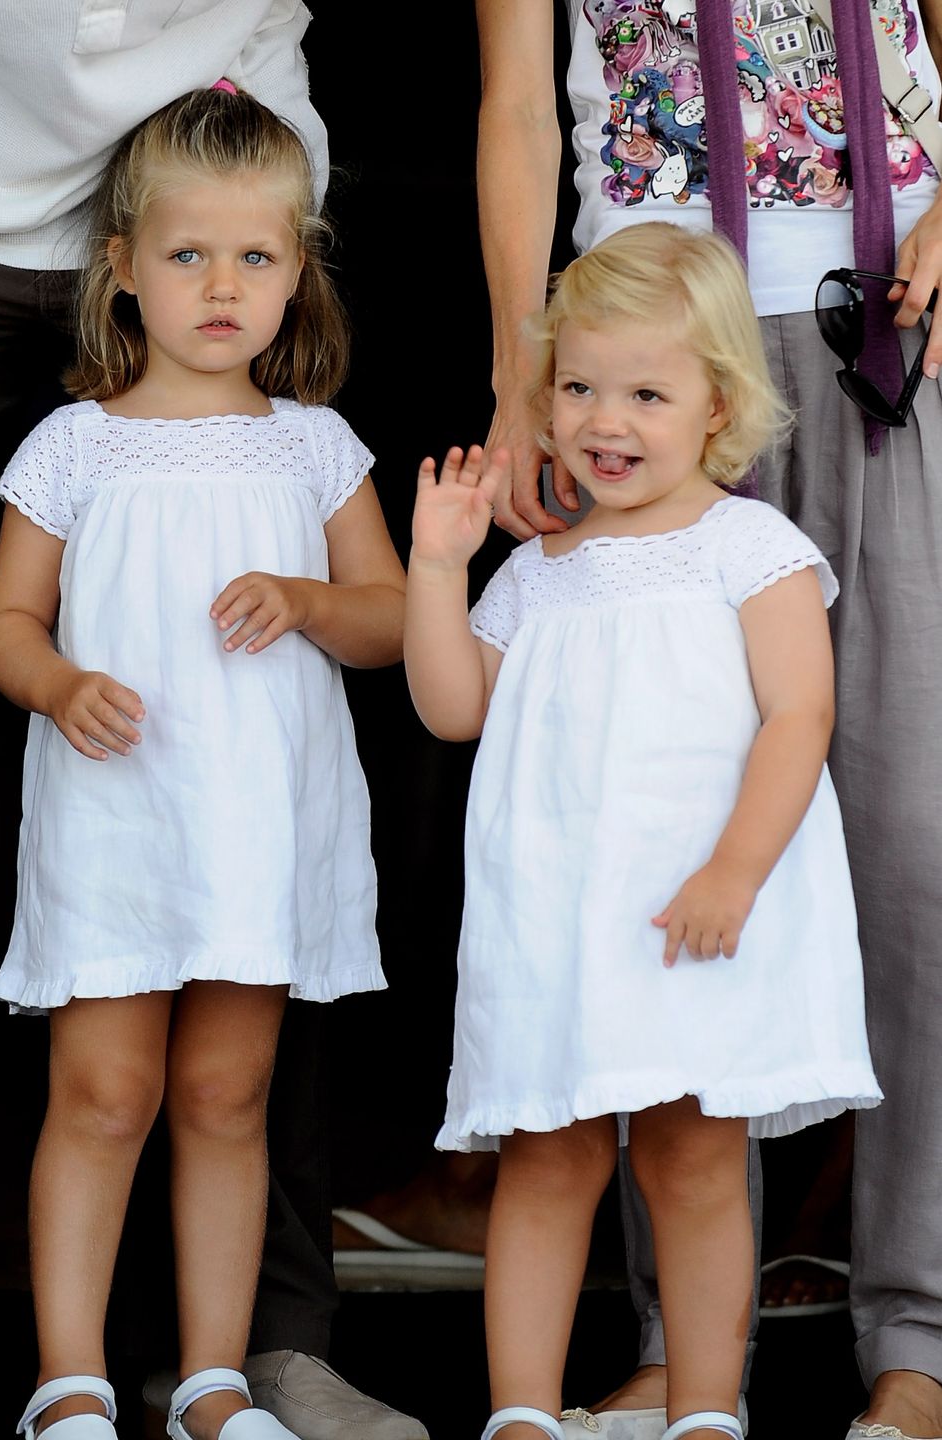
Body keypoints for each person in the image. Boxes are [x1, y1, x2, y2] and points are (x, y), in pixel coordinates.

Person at [0, 8, 425, 1439]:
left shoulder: (314, 443)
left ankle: (222, 1378)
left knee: (229, 1095)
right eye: (188, 255)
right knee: (105, 1092)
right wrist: (55, 685)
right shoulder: (76, 445)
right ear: (121, 273)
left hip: (254, 829)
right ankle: (69, 1377)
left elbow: (389, 618)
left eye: (256, 257)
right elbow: (1, 622)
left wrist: (306, 599)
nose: (223, 287)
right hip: (123, 825)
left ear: (300, 273)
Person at [475, 4, 942, 1437]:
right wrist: (518, 379)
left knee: (909, 840)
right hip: (646, 350)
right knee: (657, 824)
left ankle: (914, 1333)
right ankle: (687, 1356)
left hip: (888, 326)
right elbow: (517, 104)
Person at [402, 221, 881, 1440]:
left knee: (694, 1160)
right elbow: (454, 709)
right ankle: (520, 1413)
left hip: (694, 913)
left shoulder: (750, 549)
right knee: (548, 1159)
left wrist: (734, 870)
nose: (604, 420)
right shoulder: (541, 572)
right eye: (579, 387)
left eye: (647, 393)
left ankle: (707, 1409)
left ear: (718, 405)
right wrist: (436, 571)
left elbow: (798, 716)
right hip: (560, 916)